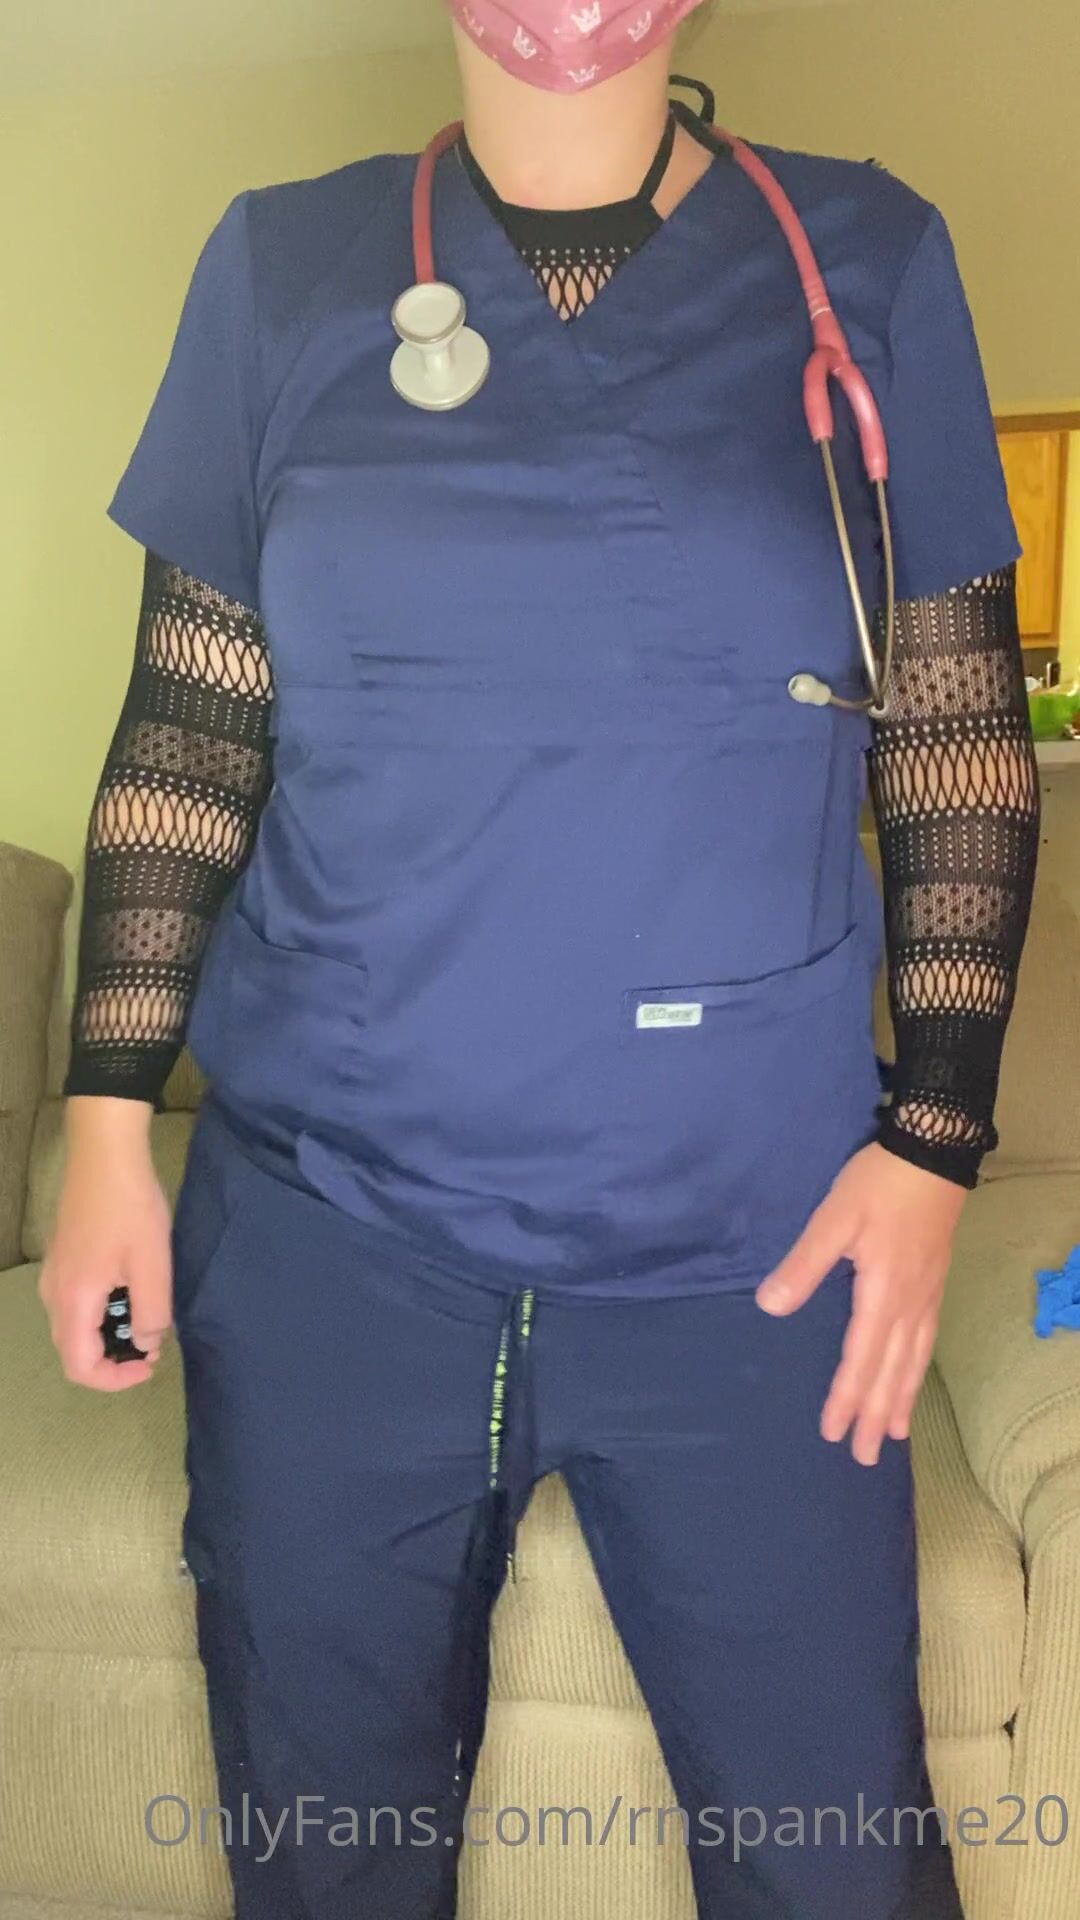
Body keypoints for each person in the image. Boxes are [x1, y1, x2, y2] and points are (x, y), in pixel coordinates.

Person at [40, 2, 1041, 1915]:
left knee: (836, 1868)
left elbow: (956, 736)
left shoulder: (867, 259)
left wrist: (934, 1142)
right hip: (336, 1241)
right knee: (328, 1862)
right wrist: (103, 1124)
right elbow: (191, 729)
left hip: (756, 1251)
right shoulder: (281, 267)